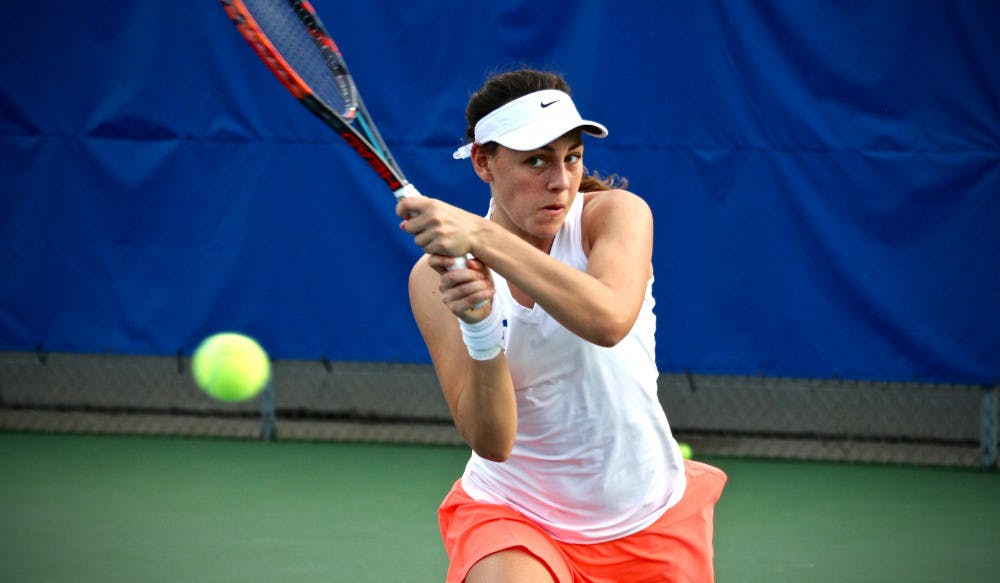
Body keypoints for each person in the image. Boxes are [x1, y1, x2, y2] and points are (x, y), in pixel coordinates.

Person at [396, 69, 727, 583]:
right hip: (515, 514)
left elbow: (607, 318)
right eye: (536, 160)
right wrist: (481, 328)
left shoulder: (614, 216)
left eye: (571, 156)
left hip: (648, 515)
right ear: (484, 162)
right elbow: (493, 441)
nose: (560, 181)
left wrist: (481, 237)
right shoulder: (437, 278)